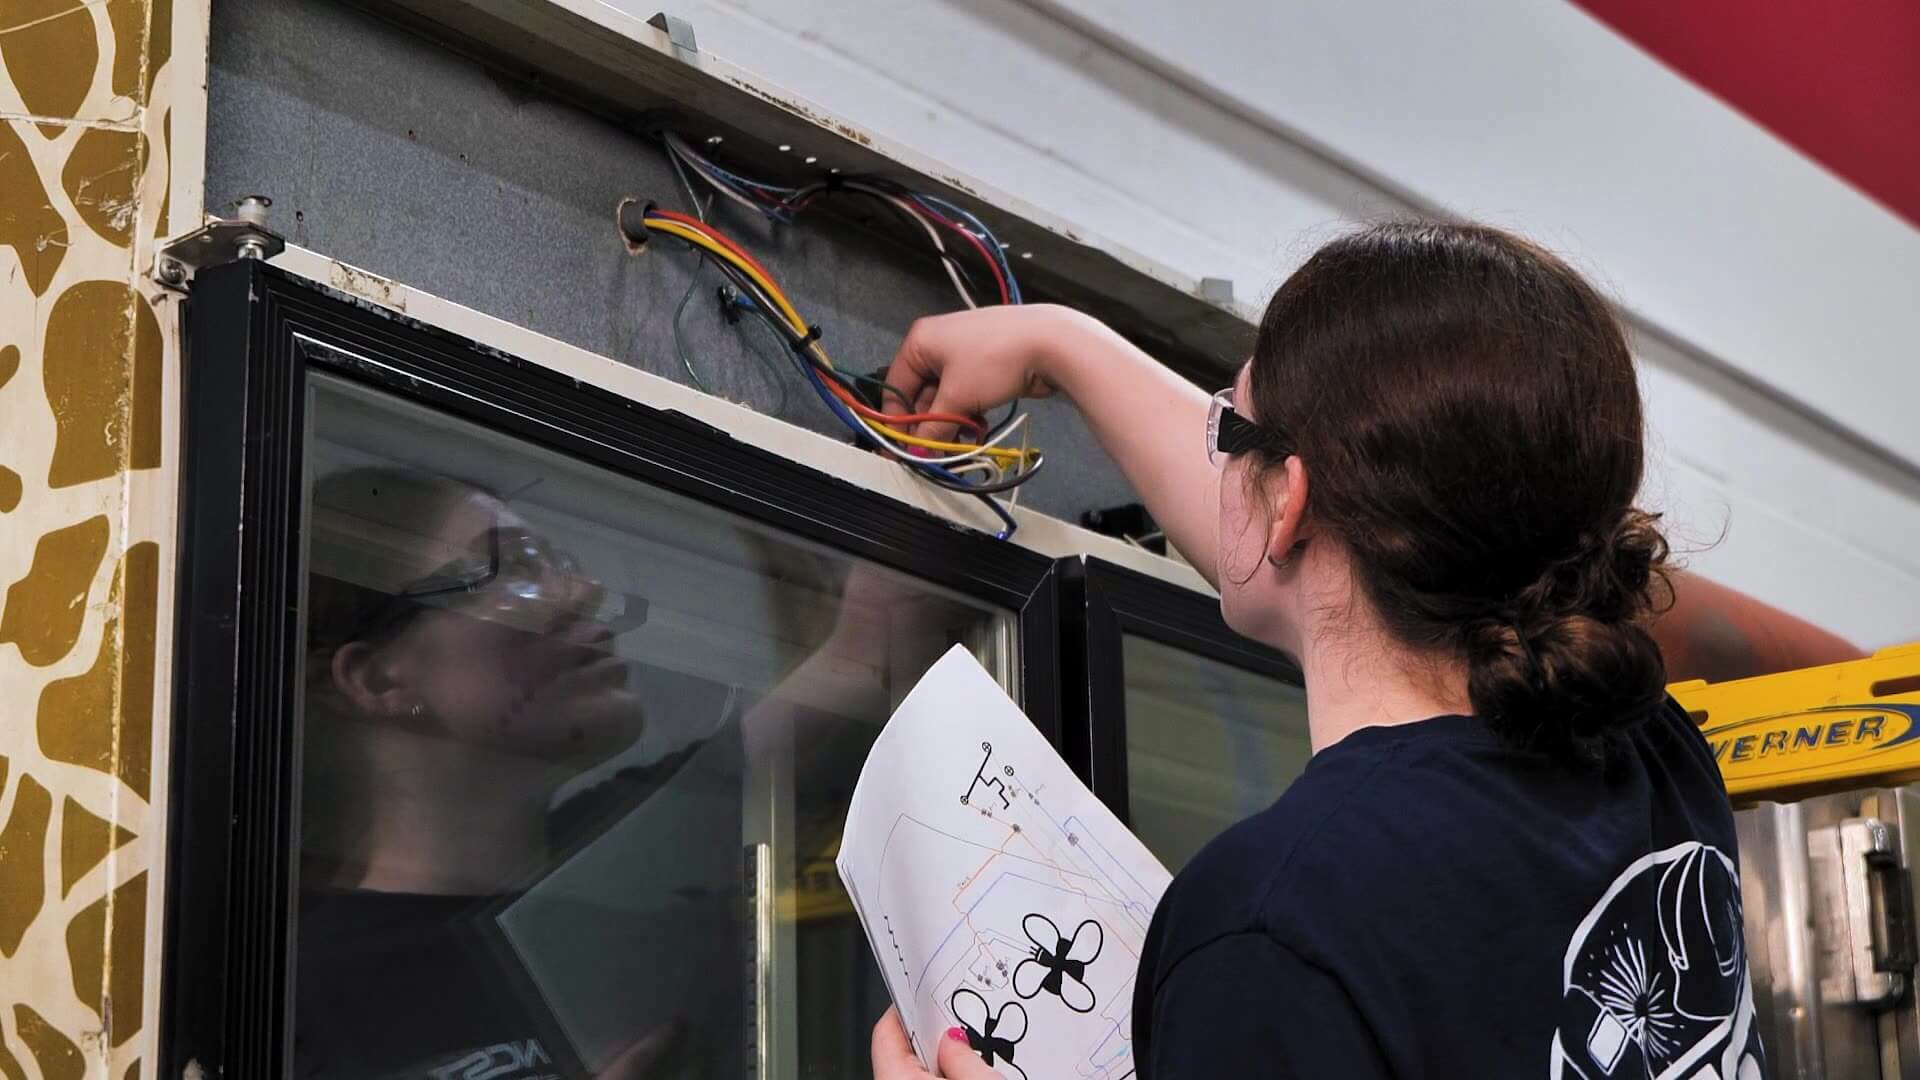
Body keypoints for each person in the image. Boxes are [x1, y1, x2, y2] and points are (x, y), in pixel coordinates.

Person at [869, 222, 1767, 1077]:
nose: (1217, 460)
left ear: (1290, 502)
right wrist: (1061, 345)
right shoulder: (1653, 758)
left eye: (1231, 433)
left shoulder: (1273, 927)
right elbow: (1290, 521)